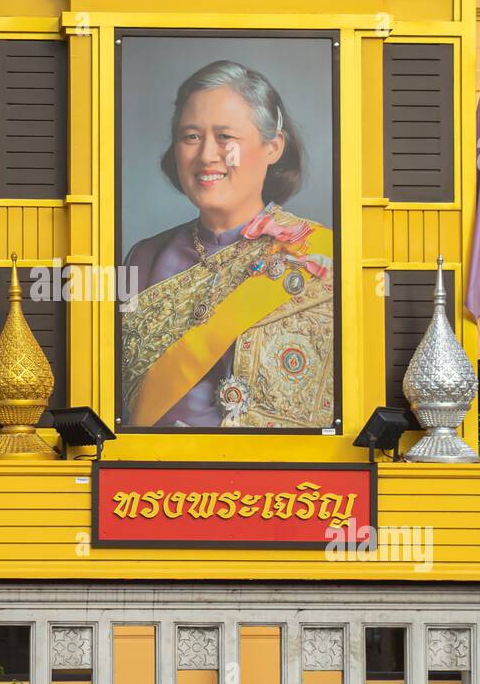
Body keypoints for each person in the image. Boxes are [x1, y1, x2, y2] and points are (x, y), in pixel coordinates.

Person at [121, 59, 335, 428]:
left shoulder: (321, 255)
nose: (206, 155)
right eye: (191, 137)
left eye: (225, 137)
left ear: (273, 147)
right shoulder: (143, 258)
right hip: (152, 478)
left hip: (282, 481)